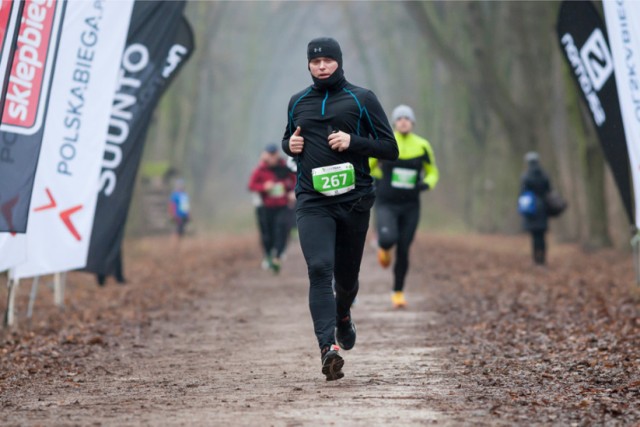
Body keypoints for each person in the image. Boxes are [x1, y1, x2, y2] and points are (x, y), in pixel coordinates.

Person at [282, 37, 398, 381]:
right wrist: (290, 145)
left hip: (354, 200)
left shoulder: (362, 99)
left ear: (339, 62)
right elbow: (292, 139)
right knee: (319, 268)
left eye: (328, 61)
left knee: (346, 280)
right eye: (315, 62)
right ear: (308, 65)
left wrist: (353, 142)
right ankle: (326, 347)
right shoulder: (297, 102)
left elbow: (390, 148)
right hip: (312, 200)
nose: (321, 66)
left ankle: (343, 314)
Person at [369, 105, 439, 309]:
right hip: (386, 202)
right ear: (394, 123)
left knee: (404, 248)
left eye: (407, 118)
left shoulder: (423, 146)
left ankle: (398, 292)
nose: (403, 121)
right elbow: (368, 166)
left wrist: (427, 183)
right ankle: (383, 247)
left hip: (410, 205)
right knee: (388, 238)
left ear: (413, 122)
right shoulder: (385, 143)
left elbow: (432, 171)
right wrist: (374, 181)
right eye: (399, 118)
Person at [248, 144, 297, 273]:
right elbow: (251, 185)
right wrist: (264, 187)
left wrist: (293, 192)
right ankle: (268, 255)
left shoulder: (285, 168)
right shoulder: (260, 169)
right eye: (269, 155)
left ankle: (278, 256)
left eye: (273, 154)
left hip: (283, 206)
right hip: (265, 207)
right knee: (267, 233)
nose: (271, 157)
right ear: (265, 155)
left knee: (282, 228)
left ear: (277, 154)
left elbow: (296, 180)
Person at [520, 151, 551, 265]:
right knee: (542, 235)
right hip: (543, 208)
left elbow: (522, 193)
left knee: (534, 236)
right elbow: (549, 190)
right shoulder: (544, 175)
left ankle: (536, 259)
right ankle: (543, 259)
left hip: (531, 208)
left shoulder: (526, 176)